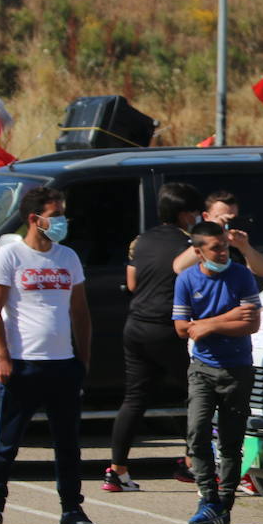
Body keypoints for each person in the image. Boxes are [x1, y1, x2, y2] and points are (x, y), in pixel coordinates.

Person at [0, 186, 98, 524]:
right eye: (55, 215)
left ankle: (71, 509)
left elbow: (80, 312)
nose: (62, 221)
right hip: (22, 363)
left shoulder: (67, 257)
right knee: (6, 442)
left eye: (62, 214)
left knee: (68, 444)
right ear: (34, 218)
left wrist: (82, 359)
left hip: (63, 364)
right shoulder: (9, 257)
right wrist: (2, 356)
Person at [105, 182, 203, 492]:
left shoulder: (142, 240)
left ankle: (117, 470)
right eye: (196, 213)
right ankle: (192, 463)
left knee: (134, 399)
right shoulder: (189, 245)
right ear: (186, 214)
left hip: (136, 325)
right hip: (168, 327)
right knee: (199, 393)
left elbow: (133, 283)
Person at [172, 221, 262, 524]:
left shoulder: (241, 275)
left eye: (225, 246)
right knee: (197, 432)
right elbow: (182, 328)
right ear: (199, 252)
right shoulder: (187, 279)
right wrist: (229, 317)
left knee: (230, 441)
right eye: (215, 248)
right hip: (202, 368)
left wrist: (209, 324)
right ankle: (207, 498)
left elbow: (251, 324)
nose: (223, 252)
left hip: (237, 368)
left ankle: (224, 504)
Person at [173, 190, 263, 279]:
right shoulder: (197, 241)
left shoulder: (237, 244)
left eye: (231, 219)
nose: (226, 223)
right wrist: (211, 232)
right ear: (206, 217)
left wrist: (245, 247)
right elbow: (179, 268)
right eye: (220, 218)